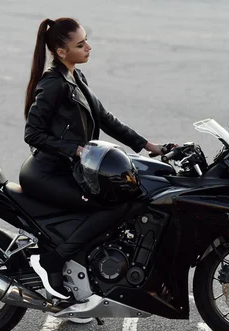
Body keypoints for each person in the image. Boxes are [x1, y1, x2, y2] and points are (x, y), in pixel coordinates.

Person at [20, 17, 167, 300]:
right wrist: (74, 149)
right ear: (61, 52)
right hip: (46, 173)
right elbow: (33, 134)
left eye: (86, 39)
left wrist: (149, 145)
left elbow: (106, 119)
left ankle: (83, 281)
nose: (89, 47)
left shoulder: (75, 76)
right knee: (111, 206)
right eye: (81, 43)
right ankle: (51, 261)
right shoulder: (53, 85)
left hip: (70, 169)